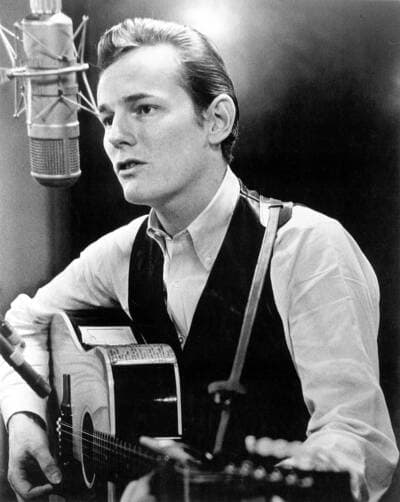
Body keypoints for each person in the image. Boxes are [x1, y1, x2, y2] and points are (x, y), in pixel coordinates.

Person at [0, 17, 397, 502]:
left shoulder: (309, 248)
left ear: (217, 120)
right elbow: (23, 322)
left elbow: (358, 442)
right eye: (106, 117)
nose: (114, 137)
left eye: (143, 109)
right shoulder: (119, 254)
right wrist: (24, 422)